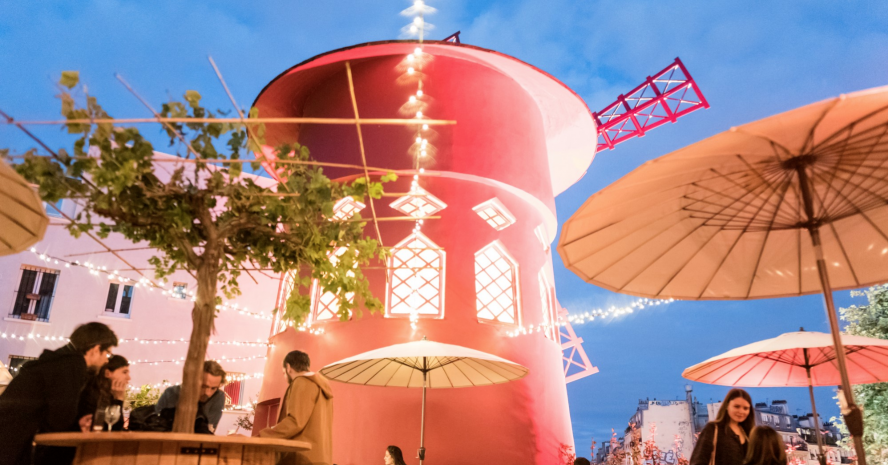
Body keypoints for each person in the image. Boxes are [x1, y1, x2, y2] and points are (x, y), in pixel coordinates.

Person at [0, 322, 118, 465]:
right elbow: (60, 420)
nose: (106, 360)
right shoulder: (71, 366)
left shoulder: (58, 362)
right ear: (96, 349)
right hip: (12, 446)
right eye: (107, 353)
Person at [259, 350, 334, 465]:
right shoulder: (322, 386)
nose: (285, 377)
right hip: (320, 457)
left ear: (288, 367)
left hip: (301, 457)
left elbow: (295, 422)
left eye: (283, 373)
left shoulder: (301, 382)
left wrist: (263, 435)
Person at [155, 360, 226, 433]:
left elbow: (208, 430)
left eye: (213, 388)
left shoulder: (218, 397)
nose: (207, 393)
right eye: (203, 386)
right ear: (192, 380)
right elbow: (155, 424)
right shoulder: (171, 393)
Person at [689, 388, 755, 465]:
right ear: (727, 406)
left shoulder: (748, 433)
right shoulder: (713, 429)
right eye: (737, 406)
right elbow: (698, 461)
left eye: (745, 408)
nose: (741, 411)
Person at [78, 355, 131, 431]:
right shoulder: (92, 394)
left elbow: (122, 427)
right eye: (124, 372)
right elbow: (113, 429)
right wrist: (118, 400)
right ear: (107, 373)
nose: (128, 378)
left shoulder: (110, 394)